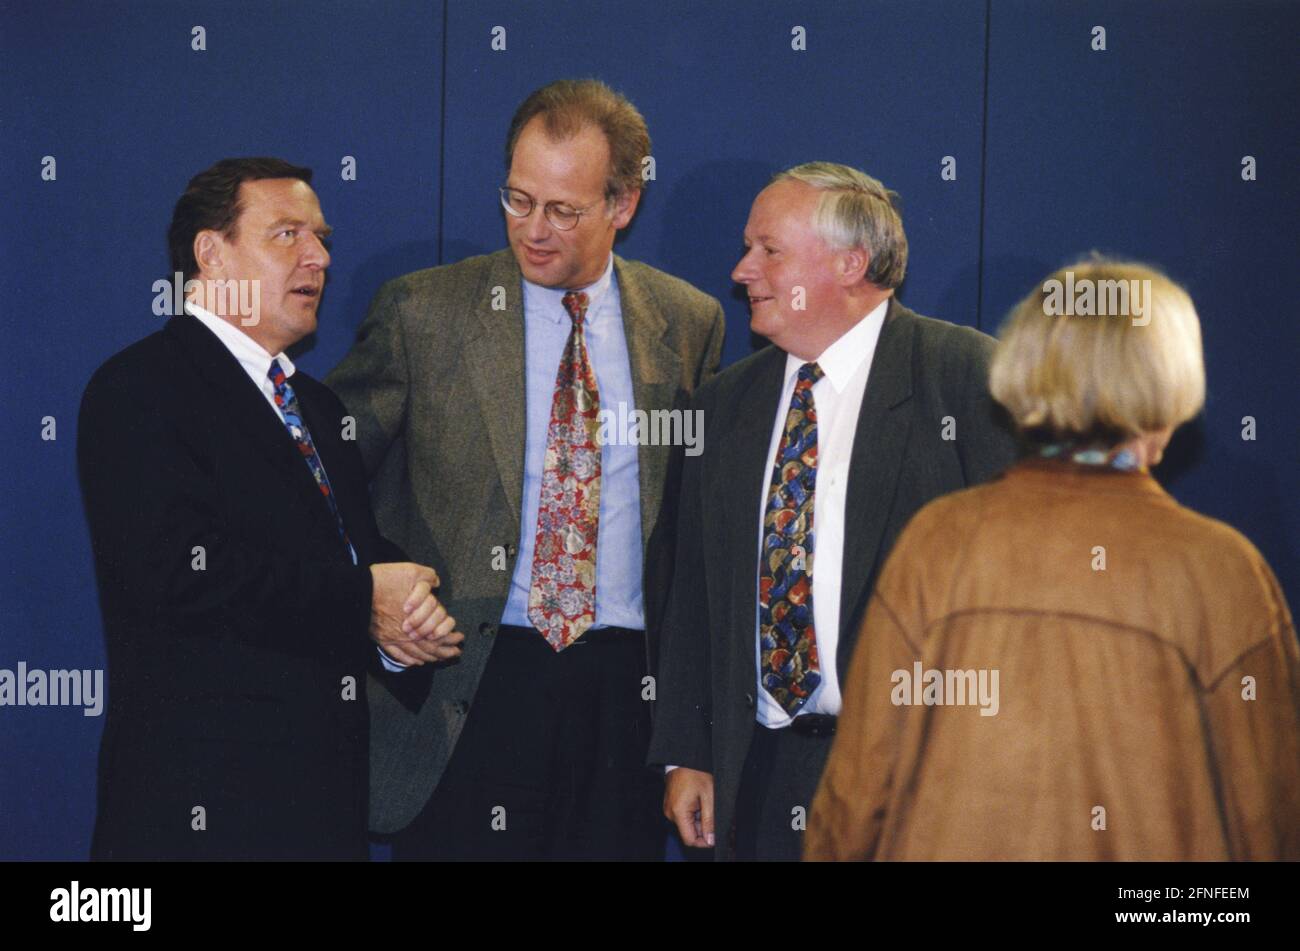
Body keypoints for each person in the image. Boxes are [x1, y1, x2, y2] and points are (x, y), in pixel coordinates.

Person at [327, 79, 725, 860]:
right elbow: (324, 481)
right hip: (469, 689)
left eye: (563, 210)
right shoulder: (422, 313)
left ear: (624, 205)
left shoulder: (688, 322)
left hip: (623, 702)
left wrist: (689, 731)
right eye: (517, 199)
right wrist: (373, 587)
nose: (532, 230)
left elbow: (696, 533)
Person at [806, 259, 1300, 860]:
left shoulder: (940, 541)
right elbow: (1268, 814)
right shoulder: (1222, 570)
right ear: (1173, 383)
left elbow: (858, 789)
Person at [78, 157, 460, 861]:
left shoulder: (317, 406)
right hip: (201, 815)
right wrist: (363, 600)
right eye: (287, 234)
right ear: (210, 253)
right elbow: (180, 576)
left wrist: (404, 626)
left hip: (321, 815)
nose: (318, 257)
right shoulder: (139, 389)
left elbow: (357, 558)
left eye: (321, 238)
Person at [647, 162, 1020, 860]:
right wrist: (686, 750)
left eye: (769, 250)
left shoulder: (963, 376)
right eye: (748, 248)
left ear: (851, 264)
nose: (741, 271)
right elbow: (690, 590)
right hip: (756, 775)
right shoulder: (723, 405)